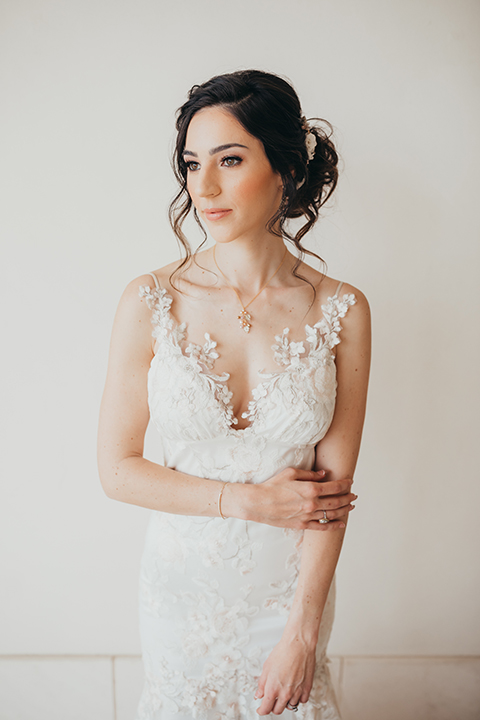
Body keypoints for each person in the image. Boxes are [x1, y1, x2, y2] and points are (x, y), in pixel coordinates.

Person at [97, 69, 371, 720]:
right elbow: (117, 471)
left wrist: (303, 632)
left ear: (285, 170)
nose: (205, 187)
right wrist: (245, 501)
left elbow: (333, 490)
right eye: (193, 165)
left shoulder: (343, 309)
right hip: (179, 593)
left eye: (230, 159)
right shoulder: (149, 300)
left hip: (289, 596)